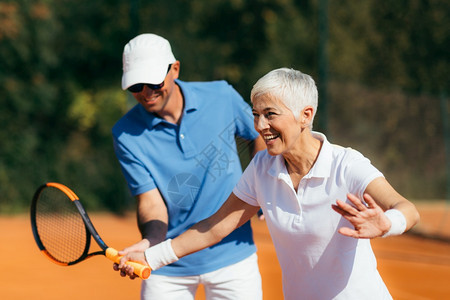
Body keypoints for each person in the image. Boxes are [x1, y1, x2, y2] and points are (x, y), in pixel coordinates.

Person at [116, 68, 420, 300]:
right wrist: (151, 256)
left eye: (270, 115)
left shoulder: (346, 164)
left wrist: (387, 224)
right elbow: (215, 226)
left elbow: (406, 209)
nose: (260, 127)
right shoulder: (263, 169)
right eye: (256, 115)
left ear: (305, 115)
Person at [111, 33, 266, 300]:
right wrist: (152, 243)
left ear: (175, 69)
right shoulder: (125, 133)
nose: (146, 93)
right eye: (137, 86)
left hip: (233, 256)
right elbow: (151, 201)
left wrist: (262, 185)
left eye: (153, 81)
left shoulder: (221, 96)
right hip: (167, 266)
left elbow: (259, 135)